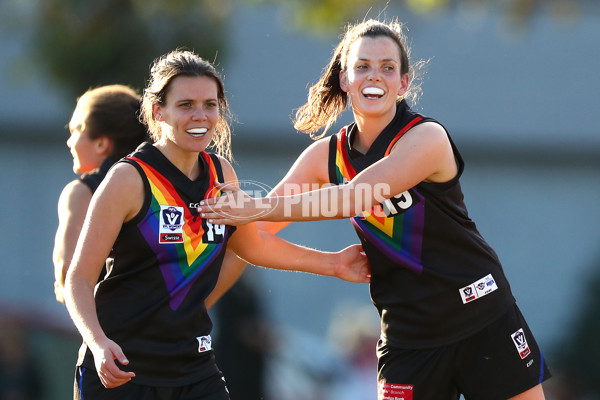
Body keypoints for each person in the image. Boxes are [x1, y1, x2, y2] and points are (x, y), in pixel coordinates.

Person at [198, 19, 551, 400]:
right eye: (362, 66)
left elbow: (354, 197)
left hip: (480, 314)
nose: (375, 76)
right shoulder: (326, 155)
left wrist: (253, 207)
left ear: (403, 83)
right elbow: (255, 239)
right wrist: (193, 308)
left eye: (387, 67)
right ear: (345, 78)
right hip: (407, 335)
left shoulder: (426, 137)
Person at [63, 49, 370, 400]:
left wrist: (334, 264)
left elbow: (252, 246)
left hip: (195, 370)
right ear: (156, 111)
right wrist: (99, 344)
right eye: (186, 105)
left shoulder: (221, 174)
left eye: (210, 104)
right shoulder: (128, 179)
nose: (200, 115)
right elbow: (79, 278)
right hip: (122, 371)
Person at [53, 84, 148, 304]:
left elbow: (67, 270)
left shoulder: (82, 192)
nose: (70, 141)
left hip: (111, 331)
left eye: (77, 129)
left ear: (101, 143)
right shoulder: (164, 184)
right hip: (173, 331)